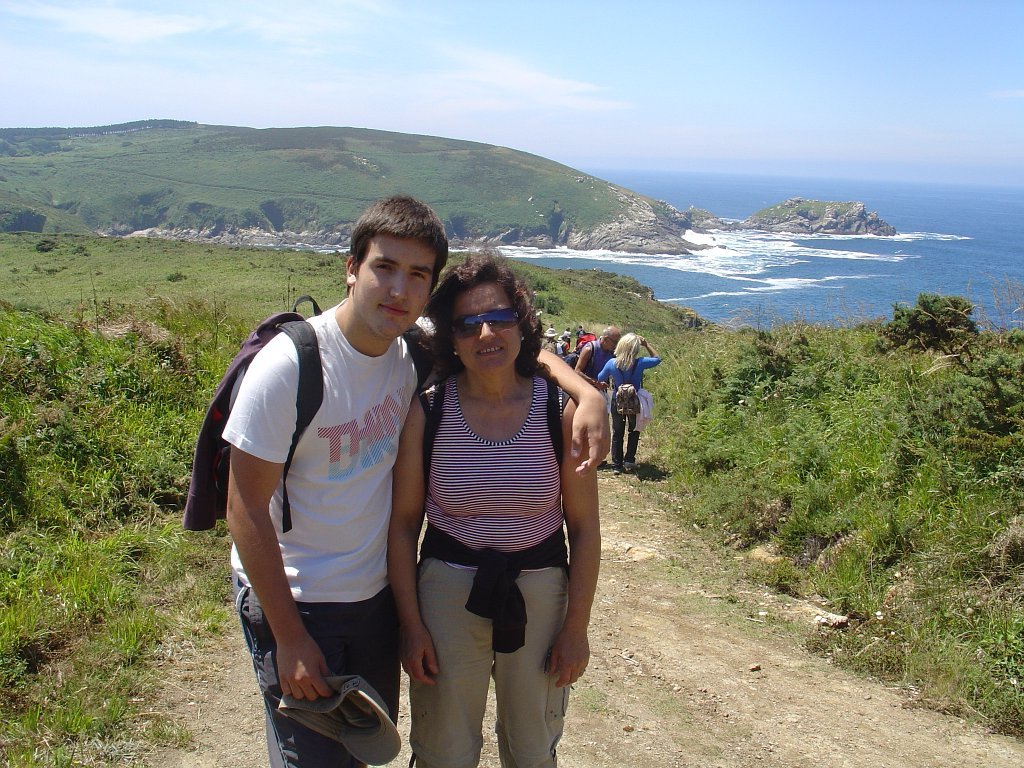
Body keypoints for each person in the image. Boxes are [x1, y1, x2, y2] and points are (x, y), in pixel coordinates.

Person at [224, 196, 608, 768]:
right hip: (305, 603)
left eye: (417, 275)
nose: (398, 289)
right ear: (351, 268)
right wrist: (290, 637)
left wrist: (588, 393)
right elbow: (244, 507)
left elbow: (512, 354)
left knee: (376, 752)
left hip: (374, 600)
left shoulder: (407, 356)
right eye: (384, 267)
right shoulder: (294, 366)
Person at [389, 253, 601, 768]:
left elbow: (584, 528)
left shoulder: (558, 409)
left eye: (500, 318)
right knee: (442, 750)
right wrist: (411, 626)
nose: (486, 333)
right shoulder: (429, 409)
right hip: (446, 591)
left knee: (532, 749)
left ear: (521, 324)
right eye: (468, 324)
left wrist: (576, 628)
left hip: (540, 591)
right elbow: (403, 526)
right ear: (451, 338)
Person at [597, 333, 661, 475]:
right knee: (634, 429)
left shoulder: (612, 363)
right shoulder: (640, 362)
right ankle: (629, 460)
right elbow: (657, 359)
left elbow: (600, 377)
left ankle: (616, 465)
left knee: (617, 432)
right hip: (634, 400)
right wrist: (646, 344)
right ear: (635, 348)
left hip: (617, 400)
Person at [574, 325, 621, 391]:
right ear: (606, 339)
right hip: (584, 389)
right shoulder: (589, 349)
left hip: (600, 391)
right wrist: (595, 383)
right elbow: (577, 371)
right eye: (615, 342)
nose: (616, 345)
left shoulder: (612, 353)